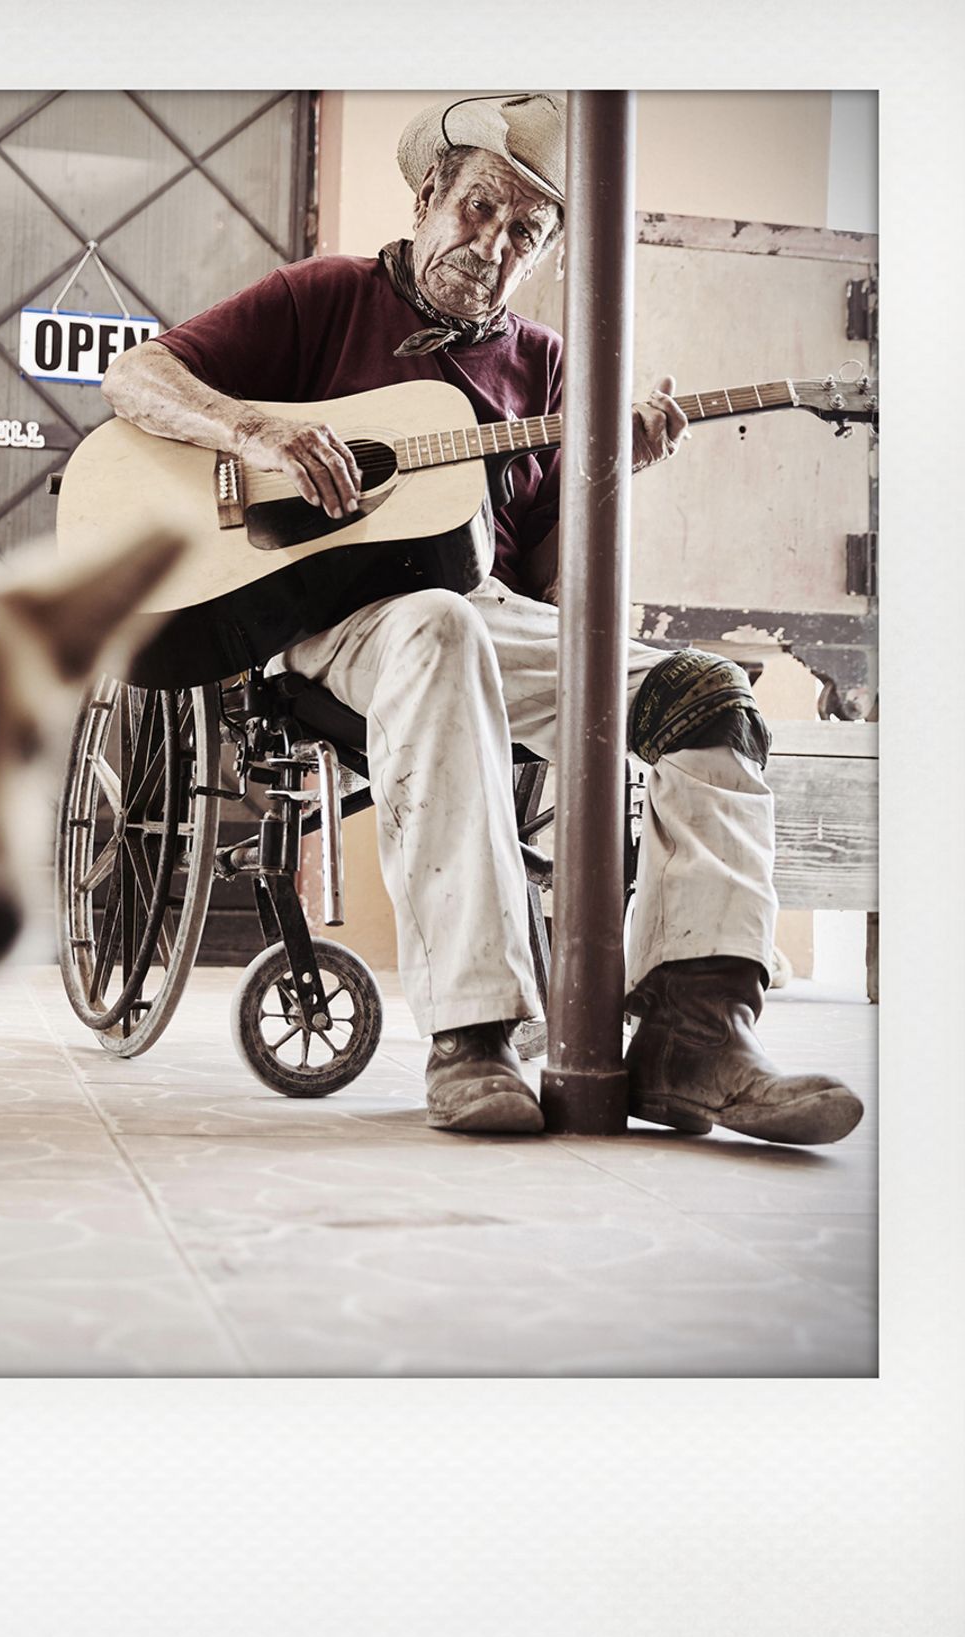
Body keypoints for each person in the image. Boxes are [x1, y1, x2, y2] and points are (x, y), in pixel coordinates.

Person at [101, 93, 863, 1147]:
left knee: (710, 694)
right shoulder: (324, 297)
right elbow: (135, 376)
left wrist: (609, 477)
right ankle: (473, 1036)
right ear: (428, 194)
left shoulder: (547, 366)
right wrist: (258, 431)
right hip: (331, 622)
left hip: (487, 612)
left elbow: (549, 583)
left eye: (526, 233)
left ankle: (695, 1037)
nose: (495, 245)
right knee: (436, 625)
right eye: (480, 209)